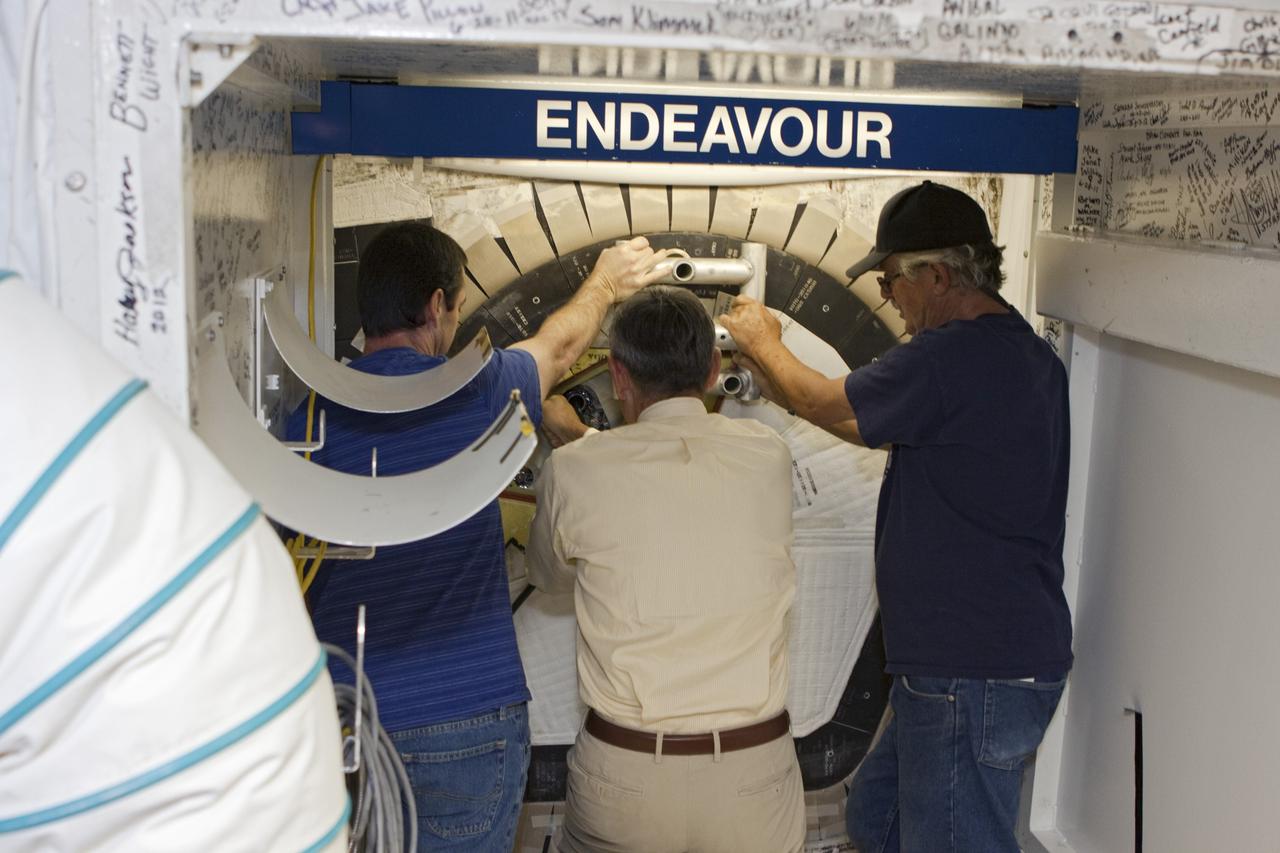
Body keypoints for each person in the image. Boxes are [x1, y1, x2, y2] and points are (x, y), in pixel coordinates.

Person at [286, 223, 670, 852]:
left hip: (346, 722)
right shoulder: (479, 390)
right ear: (436, 304)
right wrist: (604, 281)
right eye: (459, 306)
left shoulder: (303, 419)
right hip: (465, 721)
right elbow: (560, 347)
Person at [718, 180, 1073, 853]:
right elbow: (860, 420)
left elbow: (827, 403)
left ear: (937, 274)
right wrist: (781, 387)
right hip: (975, 662)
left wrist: (762, 340)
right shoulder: (1022, 355)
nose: (889, 299)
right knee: (876, 817)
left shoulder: (951, 357)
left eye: (890, 281)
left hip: (968, 671)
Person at [527, 286, 805, 853]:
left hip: (626, 777)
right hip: (753, 779)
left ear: (617, 374)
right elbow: (675, 473)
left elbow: (550, 580)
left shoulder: (575, 470)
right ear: (711, 368)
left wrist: (578, 441)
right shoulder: (768, 455)